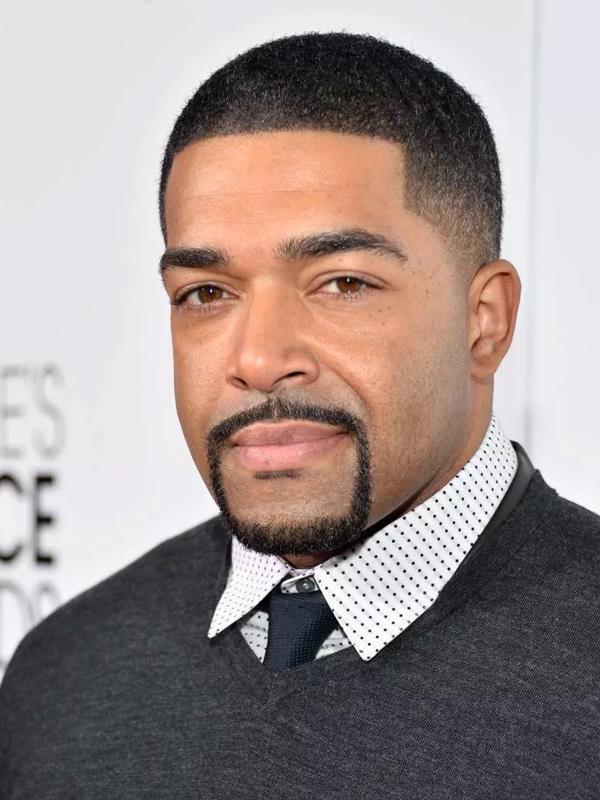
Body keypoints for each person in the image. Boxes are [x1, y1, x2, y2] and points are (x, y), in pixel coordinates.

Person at [1, 30, 599, 799]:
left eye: (342, 283)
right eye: (206, 293)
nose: (258, 357)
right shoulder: (63, 681)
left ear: (484, 321)